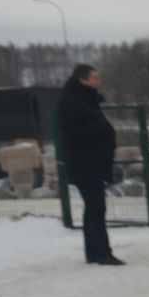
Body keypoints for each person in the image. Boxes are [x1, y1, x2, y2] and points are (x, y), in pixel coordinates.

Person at [56, 64, 123, 265]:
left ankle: (93, 252)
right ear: (82, 79)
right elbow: (73, 132)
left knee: (93, 207)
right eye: (94, 78)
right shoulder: (71, 102)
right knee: (96, 207)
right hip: (85, 163)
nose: (98, 81)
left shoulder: (86, 100)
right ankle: (103, 252)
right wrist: (100, 129)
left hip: (93, 162)